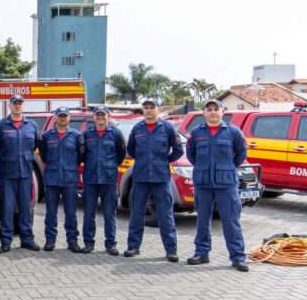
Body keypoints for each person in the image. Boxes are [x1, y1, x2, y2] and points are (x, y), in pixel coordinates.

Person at [186, 99, 249, 272]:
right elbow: (191, 155)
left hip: (226, 183)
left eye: (216, 109)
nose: (213, 112)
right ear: (204, 113)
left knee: (230, 220)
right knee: (202, 219)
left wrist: (227, 168)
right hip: (203, 182)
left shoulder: (233, 132)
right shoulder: (196, 133)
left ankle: (237, 257)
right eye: (209, 109)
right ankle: (201, 253)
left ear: (223, 112)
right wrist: (203, 168)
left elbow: (240, 155)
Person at [124, 98, 184, 262]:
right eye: (146, 107)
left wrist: (164, 160)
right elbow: (131, 149)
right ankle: (133, 247)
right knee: (137, 213)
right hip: (141, 177)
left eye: (152, 107)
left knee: (165, 215)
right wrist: (144, 160)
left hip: (161, 178)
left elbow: (178, 150)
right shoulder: (137, 128)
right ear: (143, 110)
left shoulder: (167, 128)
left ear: (158, 110)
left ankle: (171, 250)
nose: (149, 110)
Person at [0, 95, 39, 252]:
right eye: (15, 103)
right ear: (9, 106)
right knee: (7, 208)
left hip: (25, 174)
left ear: (23, 106)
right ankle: (6, 240)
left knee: (25, 208)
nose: (17, 106)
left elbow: (34, 147)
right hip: (7, 175)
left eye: (20, 103)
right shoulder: (0, 126)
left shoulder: (31, 125)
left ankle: (27, 239)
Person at [81, 106, 127, 255]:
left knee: (109, 213)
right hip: (91, 179)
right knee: (89, 213)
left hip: (109, 179)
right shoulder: (87, 134)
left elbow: (121, 154)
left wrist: (110, 166)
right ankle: (88, 243)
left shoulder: (116, 133)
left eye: (103, 115)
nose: (100, 117)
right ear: (93, 117)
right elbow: (82, 155)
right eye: (97, 115)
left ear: (108, 116)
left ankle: (110, 244)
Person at [38, 107, 84, 252]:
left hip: (69, 179)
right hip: (51, 179)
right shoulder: (46, 136)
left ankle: (72, 241)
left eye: (65, 116)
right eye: (60, 116)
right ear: (56, 117)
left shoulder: (76, 136)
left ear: (69, 118)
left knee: (71, 212)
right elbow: (44, 156)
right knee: (51, 212)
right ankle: (50, 241)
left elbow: (80, 157)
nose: (63, 118)